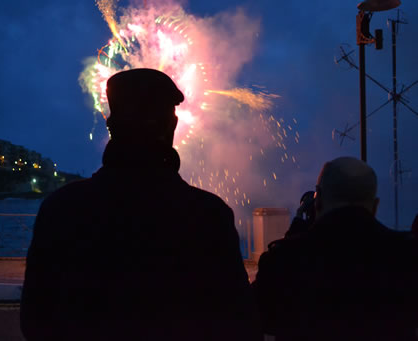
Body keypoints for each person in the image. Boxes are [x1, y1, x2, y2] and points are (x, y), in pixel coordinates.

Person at [20, 68, 262, 341]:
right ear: (171, 125)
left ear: (110, 124)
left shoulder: (61, 209)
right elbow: (242, 328)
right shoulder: (208, 214)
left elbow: (35, 321)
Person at [252, 156, 418, 341]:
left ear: (318, 201)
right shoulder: (406, 257)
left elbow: (256, 317)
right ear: (375, 205)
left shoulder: (283, 261)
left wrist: (296, 232)